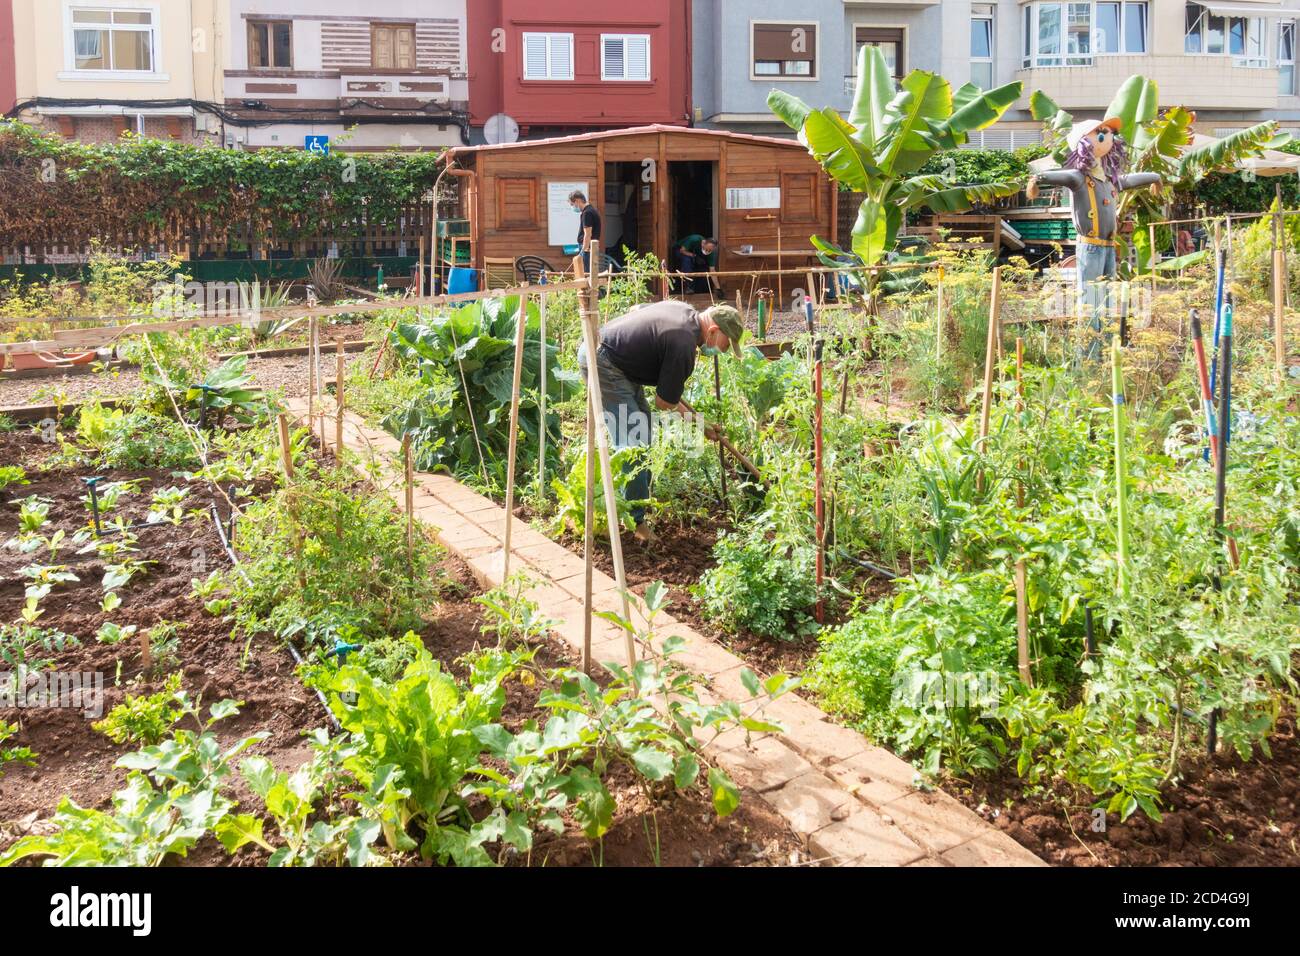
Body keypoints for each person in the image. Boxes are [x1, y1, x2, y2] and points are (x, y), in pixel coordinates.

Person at [577, 301, 745, 544]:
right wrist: (700, 425)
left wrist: (701, 422)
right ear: (713, 331)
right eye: (727, 344)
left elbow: (637, 309)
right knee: (635, 446)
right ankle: (635, 522)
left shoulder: (684, 311)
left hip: (616, 360)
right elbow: (664, 402)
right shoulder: (683, 345)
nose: (725, 350)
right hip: (603, 362)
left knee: (643, 434)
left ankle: (631, 505)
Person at [1026, 117, 1161, 358]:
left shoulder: (1109, 180)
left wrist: (1154, 177)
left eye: (1109, 133)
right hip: (1090, 247)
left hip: (1109, 247)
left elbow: (1129, 181)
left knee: (1106, 300)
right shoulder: (1080, 178)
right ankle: (1087, 357)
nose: (1108, 137)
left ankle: (1107, 352)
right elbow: (1062, 176)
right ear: (1083, 142)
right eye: (1100, 133)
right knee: (1089, 302)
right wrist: (1038, 179)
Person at [570, 190, 602, 276]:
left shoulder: (587, 213)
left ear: (577, 201)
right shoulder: (591, 210)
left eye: (572, 205)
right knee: (591, 275)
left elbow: (588, 235)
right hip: (591, 248)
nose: (573, 207)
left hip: (587, 249)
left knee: (587, 275)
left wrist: (582, 251)